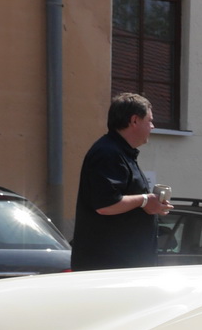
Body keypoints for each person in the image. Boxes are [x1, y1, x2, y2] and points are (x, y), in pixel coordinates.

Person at [71, 92, 172, 271]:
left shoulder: (120, 152)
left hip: (122, 266)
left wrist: (151, 203)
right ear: (134, 120)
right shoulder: (108, 153)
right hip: (109, 269)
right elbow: (106, 204)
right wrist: (146, 200)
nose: (153, 126)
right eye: (149, 121)